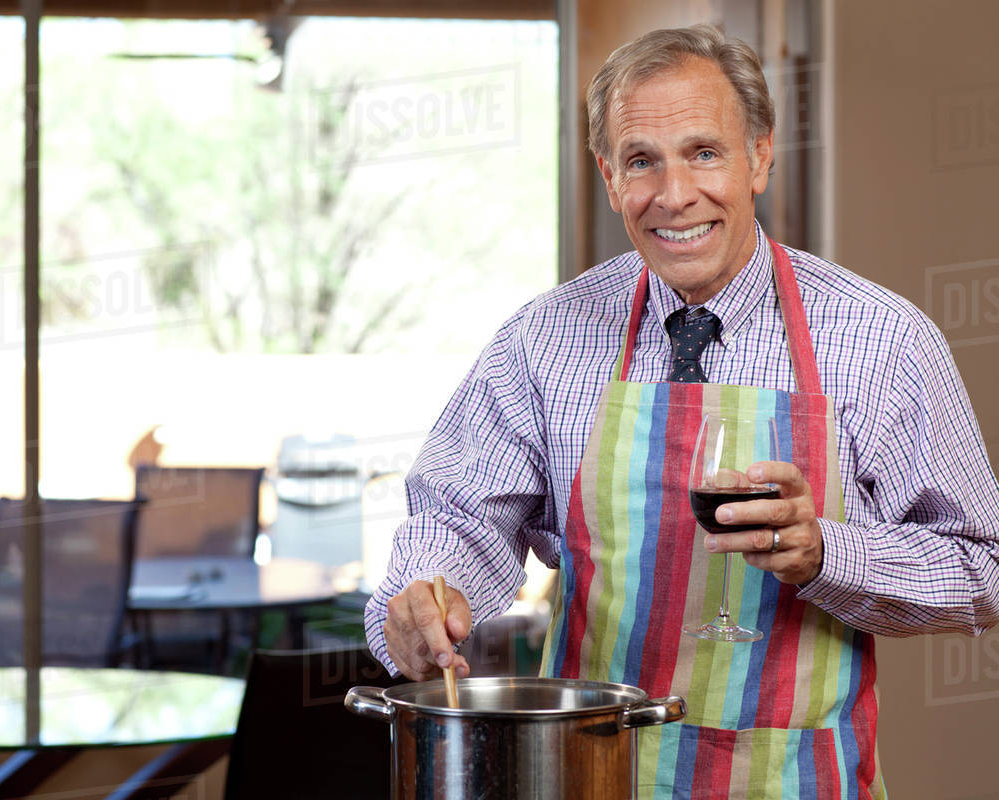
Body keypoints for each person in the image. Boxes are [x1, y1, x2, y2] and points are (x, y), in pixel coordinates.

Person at [364, 23, 999, 798]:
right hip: (592, 776)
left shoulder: (883, 340)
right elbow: (460, 518)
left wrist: (826, 554)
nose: (673, 195)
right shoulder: (543, 338)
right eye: (641, 161)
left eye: (703, 153)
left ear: (760, 156)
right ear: (608, 175)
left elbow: (984, 566)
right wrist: (422, 603)